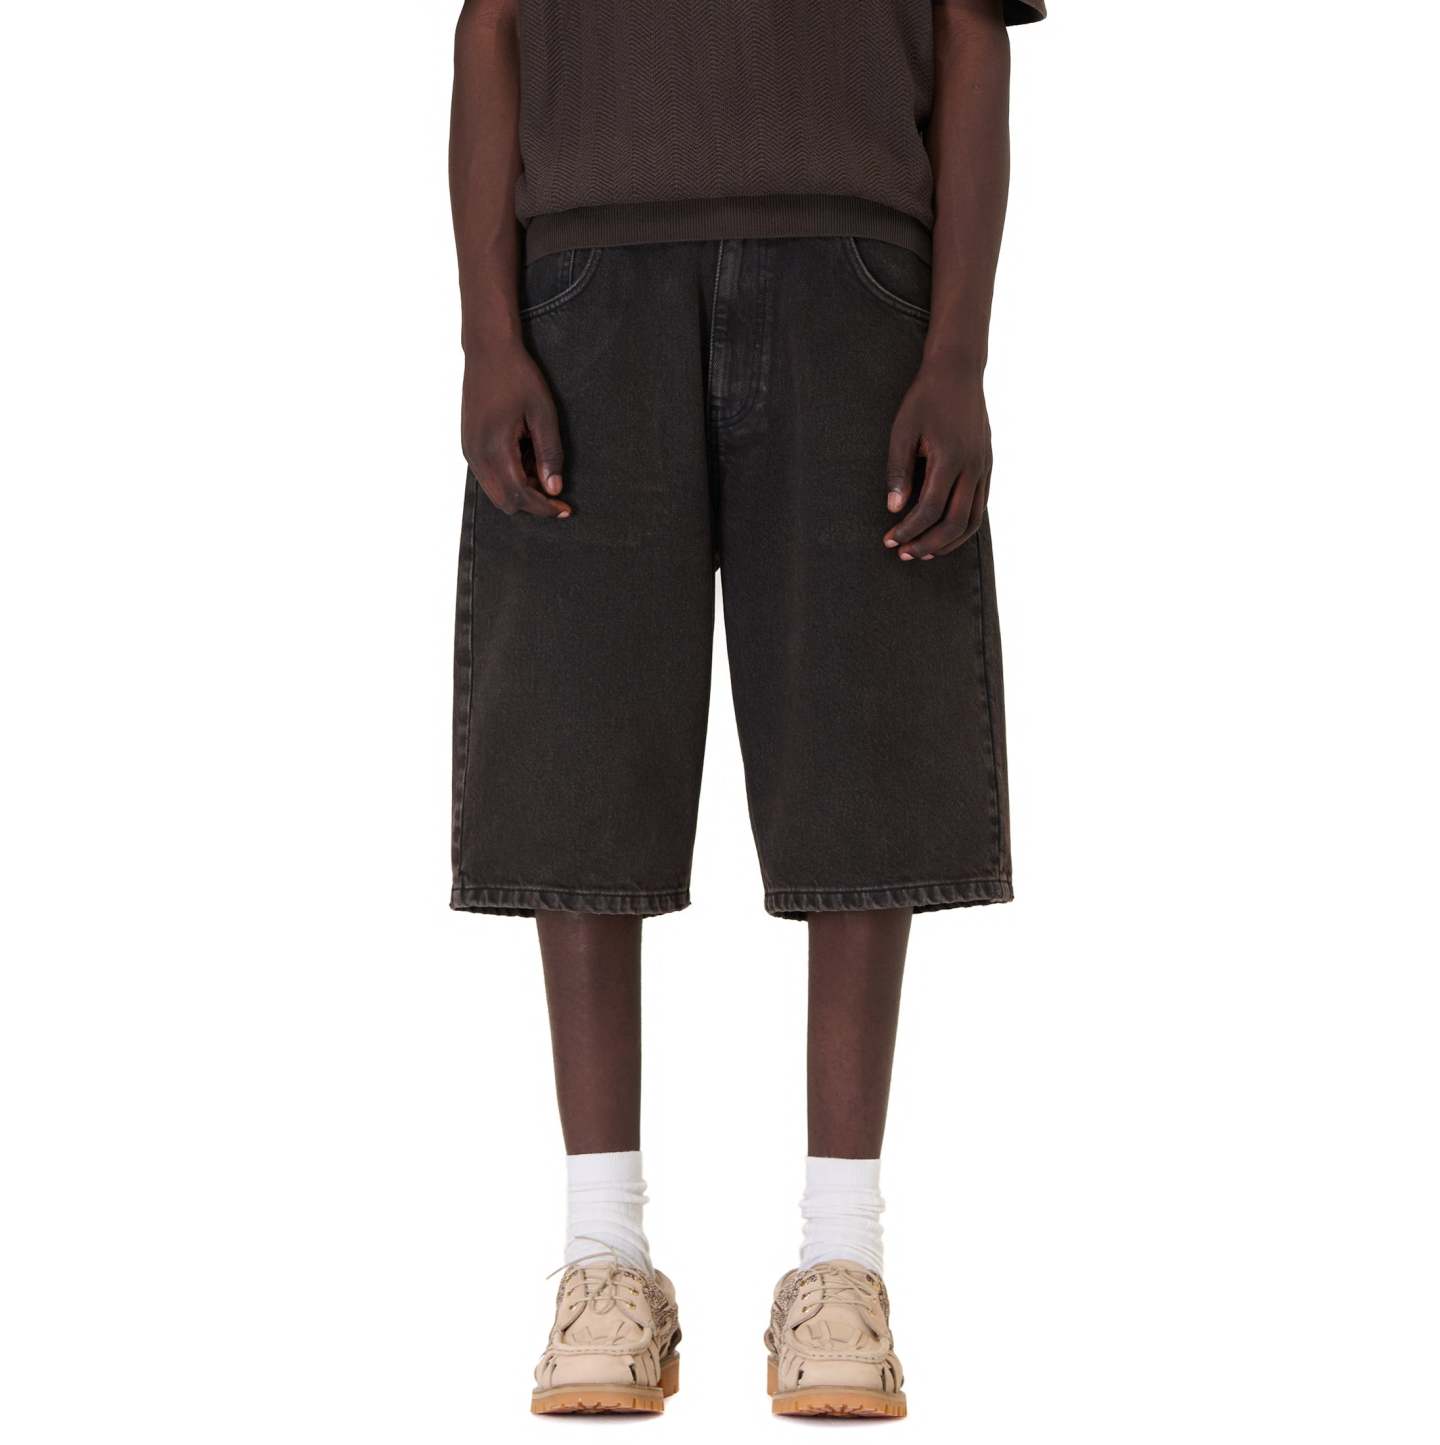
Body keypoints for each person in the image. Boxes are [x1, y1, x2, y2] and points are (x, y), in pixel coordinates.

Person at [449, 0, 1044, 1418]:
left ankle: (842, 1260)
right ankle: (604, 1255)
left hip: (858, 264)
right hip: (584, 268)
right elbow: (490, 25)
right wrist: (486, 336)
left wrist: (957, 356)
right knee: (578, 735)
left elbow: (973, 35)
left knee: (860, 727)